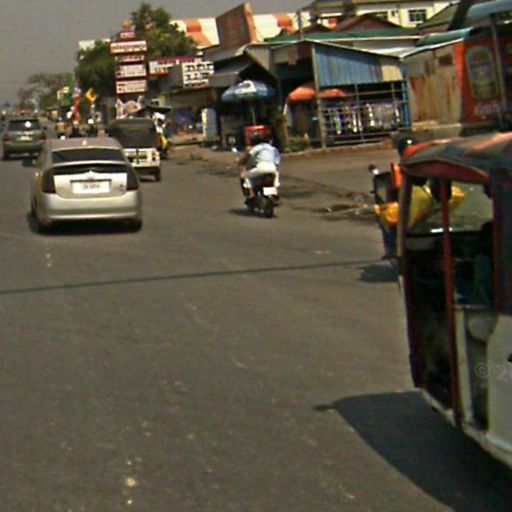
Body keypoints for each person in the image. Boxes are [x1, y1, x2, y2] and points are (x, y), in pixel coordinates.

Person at [238, 132, 281, 200]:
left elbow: (248, 157)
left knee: (245, 176)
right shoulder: (273, 149)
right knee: (276, 175)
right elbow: (277, 161)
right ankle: (275, 191)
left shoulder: (256, 148)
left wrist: (240, 162)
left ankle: (251, 193)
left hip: (260, 168)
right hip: (272, 168)